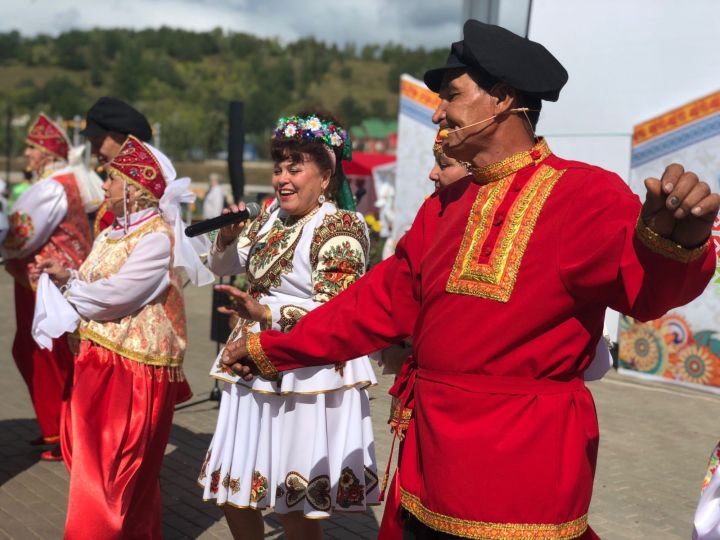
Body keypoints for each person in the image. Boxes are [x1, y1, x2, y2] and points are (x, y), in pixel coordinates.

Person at [219, 20, 719, 539]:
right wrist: (275, 349)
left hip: (527, 467)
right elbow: (374, 305)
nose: (438, 112)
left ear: (502, 100)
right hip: (431, 460)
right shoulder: (444, 208)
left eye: (452, 96)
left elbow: (647, 291)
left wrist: (675, 245)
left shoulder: (584, 194)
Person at [198, 112, 379, 540]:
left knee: (292, 502)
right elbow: (224, 265)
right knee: (234, 488)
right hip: (249, 365)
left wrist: (268, 315)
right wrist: (225, 238)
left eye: (295, 167)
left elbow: (336, 309)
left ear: (326, 173)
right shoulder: (269, 217)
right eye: (279, 167)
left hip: (304, 369)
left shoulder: (341, 226)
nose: (283, 178)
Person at [37, 134, 210, 539]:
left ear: (134, 190)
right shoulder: (113, 233)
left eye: (113, 180)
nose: (105, 187)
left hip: (132, 371)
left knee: (109, 475)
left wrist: (71, 293)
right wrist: (67, 277)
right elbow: (97, 283)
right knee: (98, 467)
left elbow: (116, 297)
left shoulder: (155, 238)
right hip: (101, 360)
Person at [0, 113, 92, 461]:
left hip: (46, 282)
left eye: (31, 148)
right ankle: (58, 429)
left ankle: (62, 432)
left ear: (46, 154)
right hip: (46, 279)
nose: (26, 155)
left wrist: (4, 246)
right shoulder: (64, 182)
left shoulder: (53, 186)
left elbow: (21, 233)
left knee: (46, 356)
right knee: (39, 352)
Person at [81, 96, 154, 235]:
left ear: (122, 140)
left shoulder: (143, 195)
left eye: (97, 144)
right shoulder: (113, 187)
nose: (94, 153)